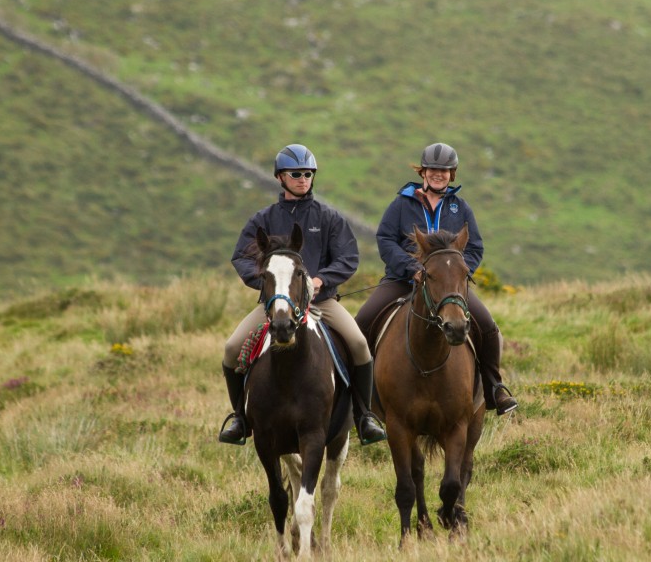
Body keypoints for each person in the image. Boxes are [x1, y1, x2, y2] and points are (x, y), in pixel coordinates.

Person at [218, 143, 387, 446]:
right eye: (296, 173)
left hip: (322, 303)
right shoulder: (263, 219)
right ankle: (240, 418)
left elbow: (348, 257)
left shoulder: (329, 217)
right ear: (280, 177)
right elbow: (241, 258)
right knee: (231, 349)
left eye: (308, 173)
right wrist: (271, 286)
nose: (303, 179)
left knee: (360, 345)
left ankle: (364, 416)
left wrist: (322, 280)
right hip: (276, 305)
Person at [354, 142, 518, 415]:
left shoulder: (460, 208)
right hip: (403, 280)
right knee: (362, 323)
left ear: (452, 174)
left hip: (448, 286)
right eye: (432, 170)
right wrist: (411, 268)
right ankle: (359, 401)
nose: (438, 174)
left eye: (443, 170)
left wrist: (459, 275)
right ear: (423, 172)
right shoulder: (401, 204)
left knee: (488, 327)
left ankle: (495, 388)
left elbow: (474, 247)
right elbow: (385, 239)